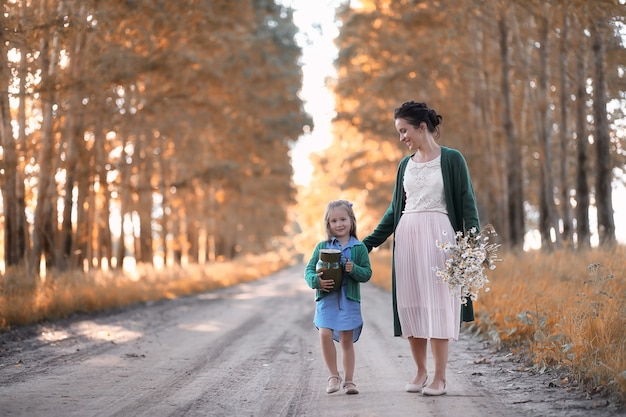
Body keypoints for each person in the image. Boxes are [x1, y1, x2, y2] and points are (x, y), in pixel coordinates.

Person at [362, 101, 480, 397]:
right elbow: (393, 211)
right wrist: (367, 244)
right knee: (411, 305)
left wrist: (471, 247)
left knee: (440, 304)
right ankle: (420, 371)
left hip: (441, 239)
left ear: (422, 127)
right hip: (408, 239)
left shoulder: (452, 159)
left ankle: (439, 377)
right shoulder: (405, 165)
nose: (402, 137)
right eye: (399, 132)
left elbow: (467, 204)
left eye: (404, 130)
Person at [304, 200, 372, 395]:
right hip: (327, 299)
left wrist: (354, 269)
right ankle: (333, 375)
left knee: (346, 339)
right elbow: (308, 270)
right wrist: (316, 282)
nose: (339, 224)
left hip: (348, 300)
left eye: (343, 219)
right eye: (334, 220)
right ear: (328, 224)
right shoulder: (322, 246)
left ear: (351, 221)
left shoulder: (359, 248)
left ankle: (349, 380)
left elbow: (367, 274)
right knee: (324, 333)